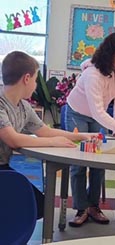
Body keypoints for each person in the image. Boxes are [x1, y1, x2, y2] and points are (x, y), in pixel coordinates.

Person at [0, 51, 92, 220]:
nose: (35, 85)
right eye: (35, 80)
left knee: (40, 206)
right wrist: (53, 142)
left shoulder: (24, 106)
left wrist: (80, 136)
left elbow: (45, 131)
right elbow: (12, 139)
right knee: (32, 206)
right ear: (26, 78)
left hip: (3, 168)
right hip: (2, 170)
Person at [65, 32, 115, 227]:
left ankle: (93, 206)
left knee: (99, 161)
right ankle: (81, 208)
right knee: (79, 162)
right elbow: (98, 111)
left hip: (97, 116)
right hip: (77, 113)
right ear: (109, 54)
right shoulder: (93, 73)